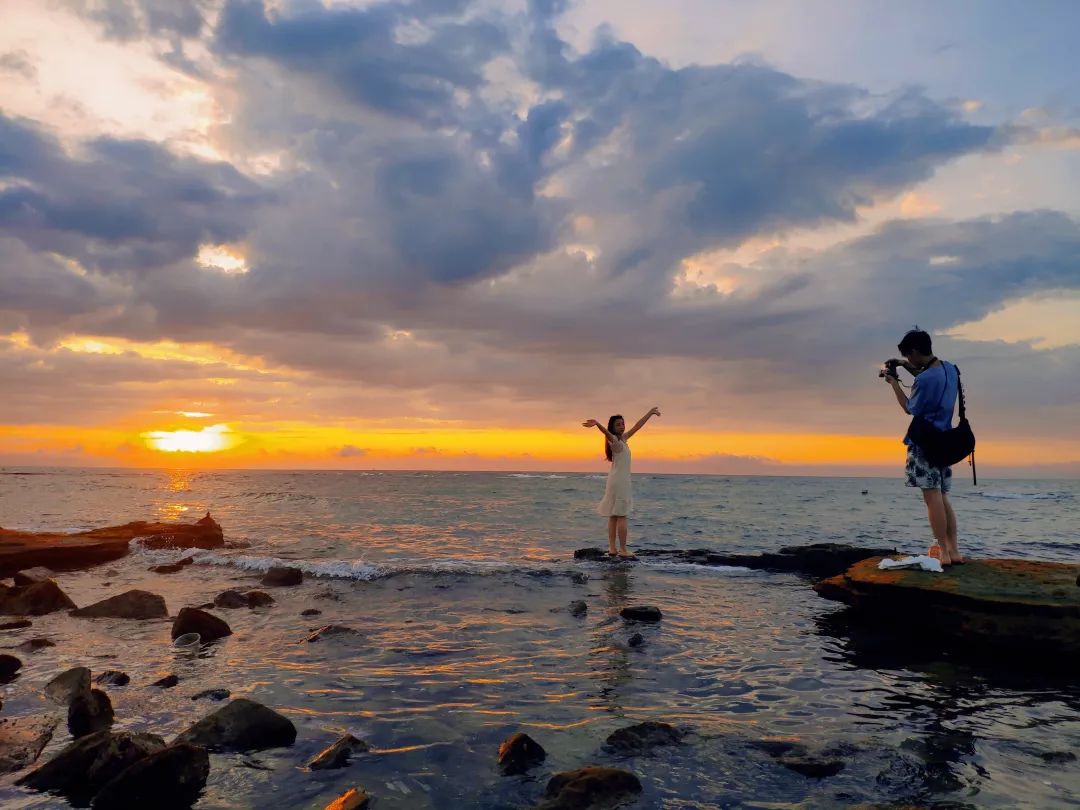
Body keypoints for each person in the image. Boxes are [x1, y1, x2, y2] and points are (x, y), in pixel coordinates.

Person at [882, 329, 964, 565]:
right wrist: (903, 365)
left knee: (931, 498)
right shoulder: (950, 368)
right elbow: (925, 372)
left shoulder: (925, 379)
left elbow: (910, 408)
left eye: (909, 356)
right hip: (945, 440)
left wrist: (893, 382)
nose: (909, 361)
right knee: (943, 496)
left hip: (924, 443)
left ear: (915, 351)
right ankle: (954, 550)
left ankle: (942, 552)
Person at [582, 407, 661, 558]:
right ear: (612, 427)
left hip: (615, 480)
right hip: (620, 482)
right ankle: (623, 550)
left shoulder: (623, 439)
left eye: (623, 424)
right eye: (618, 424)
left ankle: (613, 549)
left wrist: (650, 413)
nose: (622, 426)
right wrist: (598, 424)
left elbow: (637, 426)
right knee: (622, 515)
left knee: (613, 515)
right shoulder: (616, 442)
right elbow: (607, 434)